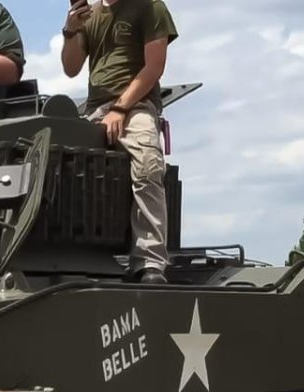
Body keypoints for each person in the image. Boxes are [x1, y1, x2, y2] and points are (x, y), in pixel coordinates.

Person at [61, 0, 179, 285]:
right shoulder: (91, 14)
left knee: (147, 167)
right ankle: (79, 256)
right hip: (94, 109)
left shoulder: (149, 7)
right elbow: (71, 68)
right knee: (70, 170)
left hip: (136, 106)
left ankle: (150, 261)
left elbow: (154, 67)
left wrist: (120, 108)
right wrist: (70, 31)